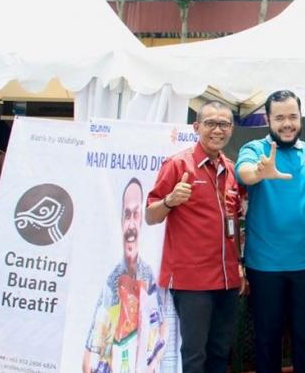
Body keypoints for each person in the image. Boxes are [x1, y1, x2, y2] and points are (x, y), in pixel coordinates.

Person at [145, 101, 245, 373]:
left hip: (227, 278)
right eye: (211, 123)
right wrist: (169, 200)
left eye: (224, 124)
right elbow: (150, 216)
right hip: (192, 281)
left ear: (231, 129)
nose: (217, 130)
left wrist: (239, 265)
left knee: (220, 350)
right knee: (194, 354)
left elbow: (234, 222)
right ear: (197, 126)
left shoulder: (232, 169)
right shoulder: (178, 164)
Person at [235, 90, 305, 373]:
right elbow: (245, 173)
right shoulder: (254, 149)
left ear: (300, 117)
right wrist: (260, 173)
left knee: (304, 339)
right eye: (280, 118)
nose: (287, 123)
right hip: (265, 265)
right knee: (267, 340)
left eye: (293, 116)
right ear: (268, 120)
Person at [84, 178, 166, 373]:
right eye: (127, 215)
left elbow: (162, 325)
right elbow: (89, 353)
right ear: (121, 221)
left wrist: (153, 363)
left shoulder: (148, 274)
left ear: (141, 221)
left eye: (136, 214)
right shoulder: (111, 280)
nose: (131, 224)